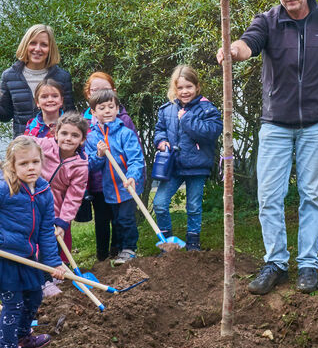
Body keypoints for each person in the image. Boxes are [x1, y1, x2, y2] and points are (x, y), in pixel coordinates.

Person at [217, 0, 318, 294]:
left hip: (315, 124)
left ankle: (308, 264)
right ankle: (276, 263)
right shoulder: (268, 22)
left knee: (311, 195)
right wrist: (232, 50)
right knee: (269, 196)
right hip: (275, 125)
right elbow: (247, 44)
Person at [0, 136, 67, 348]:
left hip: (28, 257)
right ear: (11, 165)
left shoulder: (44, 191)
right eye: (23, 163)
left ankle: (22, 336)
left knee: (34, 296)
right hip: (6, 259)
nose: (30, 167)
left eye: (35, 162)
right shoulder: (4, 188)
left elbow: (46, 232)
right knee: (13, 305)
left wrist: (54, 263)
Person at [152, 65, 222, 251]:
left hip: (197, 166)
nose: (184, 91)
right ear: (174, 89)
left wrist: (186, 119)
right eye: (180, 87)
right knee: (159, 204)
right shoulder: (167, 109)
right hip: (172, 166)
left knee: (193, 207)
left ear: (197, 87)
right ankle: (168, 245)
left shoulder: (207, 109)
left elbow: (210, 133)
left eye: (189, 87)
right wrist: (161, 141)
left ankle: (193, 245)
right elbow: (159, 130)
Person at [83, 72, 141, 261]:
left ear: (117, 109)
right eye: (102, 108)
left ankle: (129, 249)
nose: (107, 111)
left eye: (111, 107)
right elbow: (90, 165)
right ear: (93, 112)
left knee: (125, 219)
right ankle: (115, 253)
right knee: (115, 220)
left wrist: (133, 176)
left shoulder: (125, 133)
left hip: (127, 185)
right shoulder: (92, 137)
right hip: (108, 188)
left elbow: (136, 158)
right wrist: (99, 155)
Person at [38, 112, 89, 295]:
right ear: (56, 133)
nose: (68, 138)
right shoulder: (44, 145)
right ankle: (42, 282)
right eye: (64, 133)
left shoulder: (80, 166)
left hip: (55, 209)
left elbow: (74, 197)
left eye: (75, 135)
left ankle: (48, 276)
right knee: (32, 244)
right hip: (31, 203)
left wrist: (63, 222)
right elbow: (22, 142)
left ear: (82, 140)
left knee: (52, 242)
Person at [0, 24, 74, 136]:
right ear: (25, 45)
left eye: (44, 44)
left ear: (50, 49)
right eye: (33, 43)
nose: (37, 49)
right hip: (23, 144)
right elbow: (5, 115)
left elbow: (69, 115)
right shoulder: (9, 76)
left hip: (54, 143)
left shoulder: (62, 77)